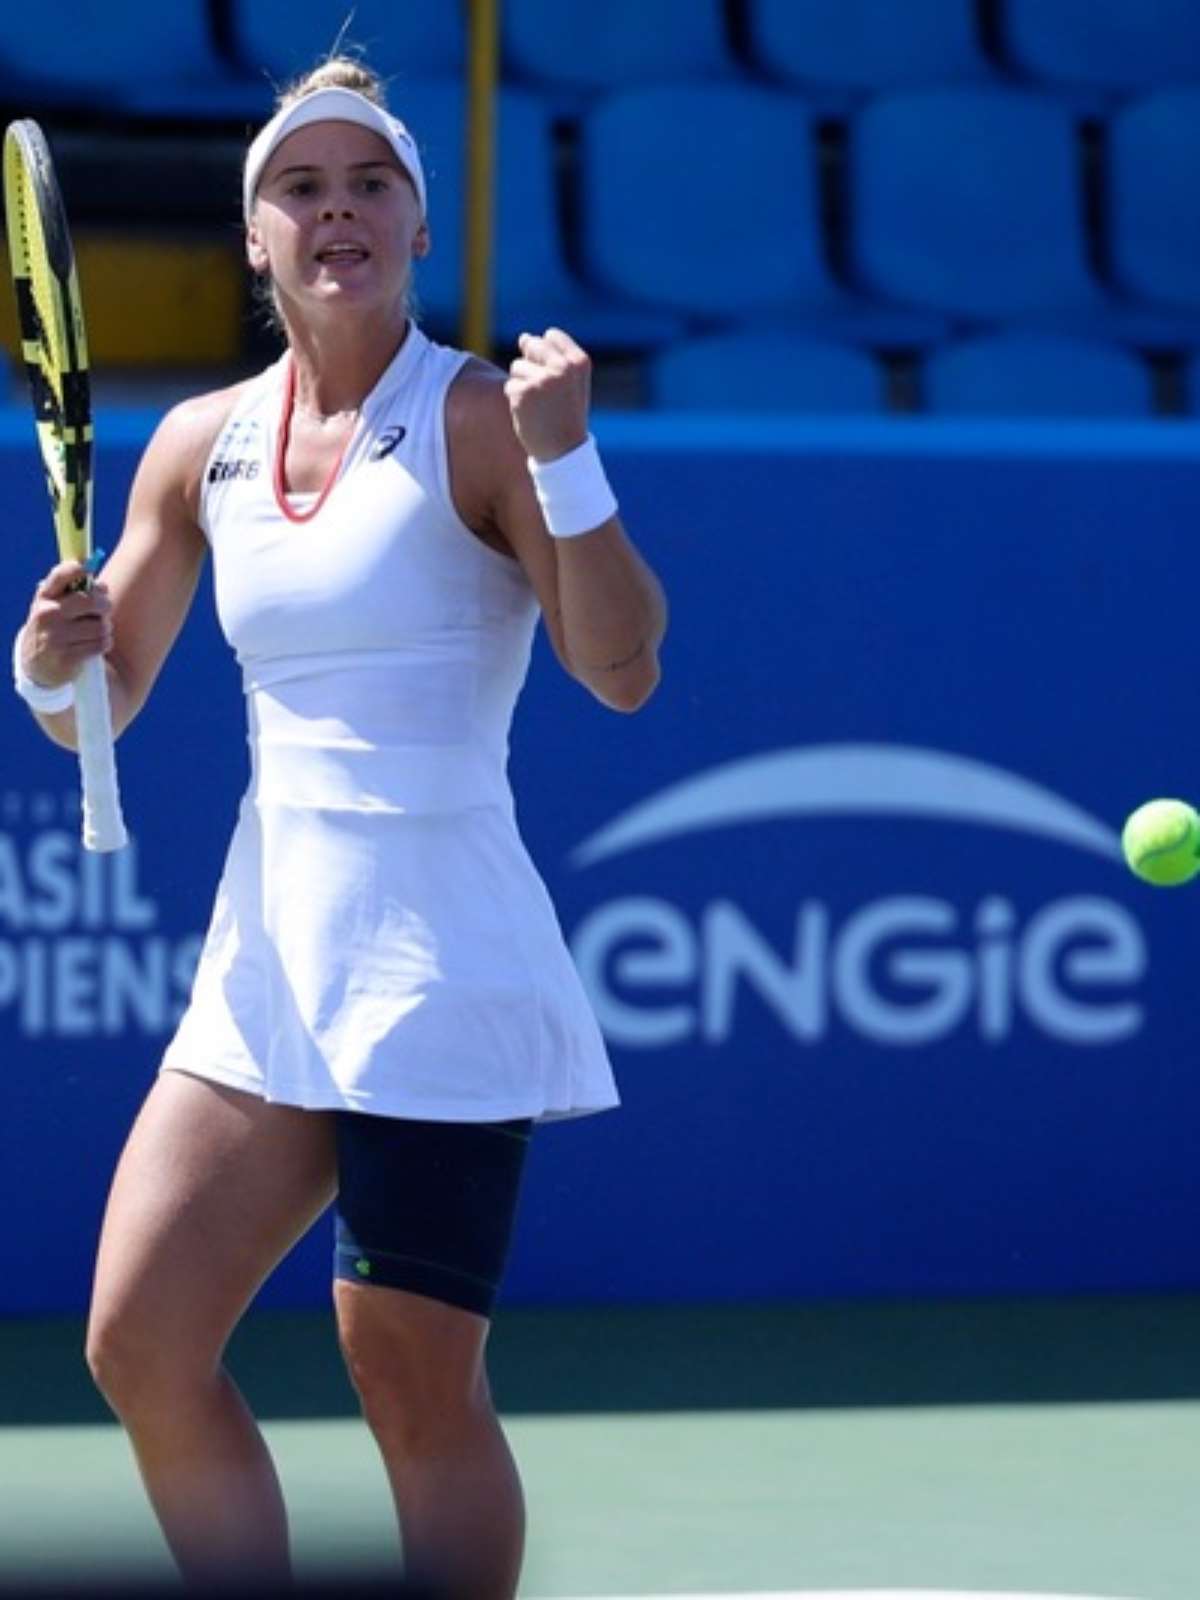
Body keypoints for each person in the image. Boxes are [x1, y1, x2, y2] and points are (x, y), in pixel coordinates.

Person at [12, 57, 666, 1600]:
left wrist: (568, 458)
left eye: (369, 184)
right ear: (255, 237)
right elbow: (94, 698)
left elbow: (623, 672)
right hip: (271, 962)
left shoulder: (487, 421)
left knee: (408, 1380)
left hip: (439, 966)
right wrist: (44, 661)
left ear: (417, 226)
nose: (337, 212)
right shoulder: (196, 444)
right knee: (141, 1343)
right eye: (299, 189)